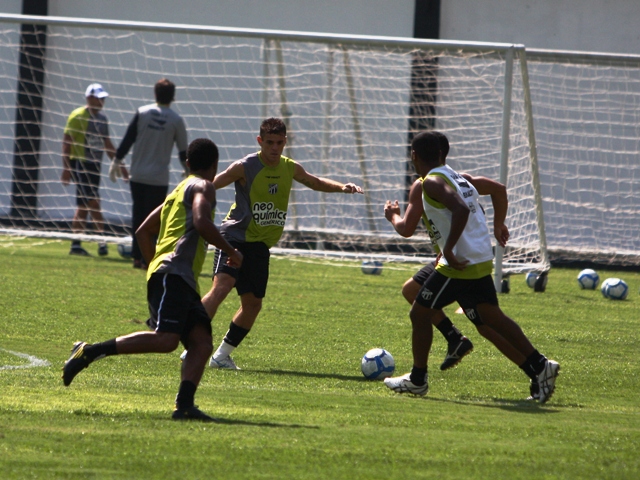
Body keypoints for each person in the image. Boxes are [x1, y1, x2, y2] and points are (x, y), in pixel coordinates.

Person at [62, 138, 243, 422]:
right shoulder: (204, 186)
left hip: (175, 277)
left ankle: (184, 406)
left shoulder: (177, 191)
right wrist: (231, 250)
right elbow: (201, 221)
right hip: (174, 274)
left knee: (201, 343)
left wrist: (153, 268)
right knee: (167, 340)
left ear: (187, 164)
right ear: (215, 165)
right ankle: (89, 351)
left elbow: (143, 231)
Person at [383, 131, 559, 403]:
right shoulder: (457, 176)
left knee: (420, 314)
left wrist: (395, 217)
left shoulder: (430, 182)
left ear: (414, 155)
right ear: (443, 154)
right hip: (477, 258)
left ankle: (418, 380)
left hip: (457, 263)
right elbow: (499, 189)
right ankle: (539, 366)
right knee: (491, 319)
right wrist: (499, 223)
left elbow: (459, 210)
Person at [184, 117, 363, 370]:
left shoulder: (290, 168)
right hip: (234, 237)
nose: (274, 148)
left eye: (279, 143)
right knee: (221, 288)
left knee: (253, 305)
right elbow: (211, 183)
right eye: (269, 142)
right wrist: (185, 202)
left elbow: (314, 182)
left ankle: (221, 356)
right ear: (260, 141)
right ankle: (192, 345)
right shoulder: (244, 166)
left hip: (259, 246)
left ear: (285, 142)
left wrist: (342, 187)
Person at [110, 78, 189, 269]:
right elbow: (183, 152)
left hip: (137, 175)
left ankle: (137, 258)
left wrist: (116, 160)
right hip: (158, 178)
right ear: (173, 97)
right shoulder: (176, 120)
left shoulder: (142, 112)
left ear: (155, 94)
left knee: (138, 215)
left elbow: (128, 139)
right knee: (154, 220)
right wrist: (188, 172)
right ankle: (148, 258)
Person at [61, 83, 117, 256]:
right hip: (81, 163)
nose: (102, 102)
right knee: (91, 202)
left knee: (87, 204)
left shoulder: (102, 120)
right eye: (99, 98)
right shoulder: (77, 116)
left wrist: (118, 163)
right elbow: (67, 142)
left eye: (103, 99)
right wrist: (66, 168)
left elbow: (106, 143)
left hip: (95, 165)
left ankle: (80, 244)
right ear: (89, 98)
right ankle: (99, 242)